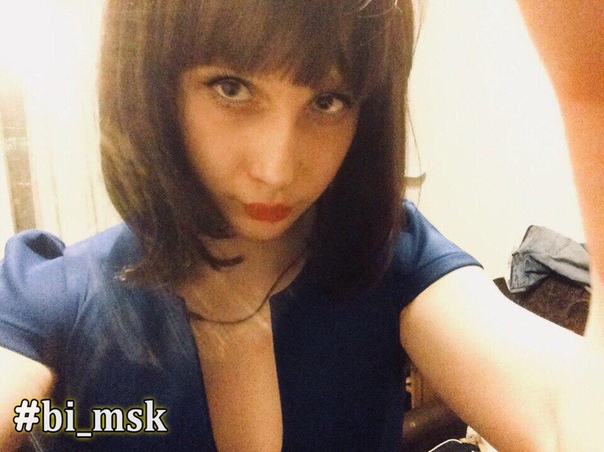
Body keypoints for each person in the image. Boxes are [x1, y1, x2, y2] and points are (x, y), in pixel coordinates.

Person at [0, 0, 602, 450]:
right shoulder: (55, 299)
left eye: (327, 101)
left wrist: (590, 99)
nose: (276, 168)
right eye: (232, 88)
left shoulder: (387, 258)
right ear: (153, 86)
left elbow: (562, 421)